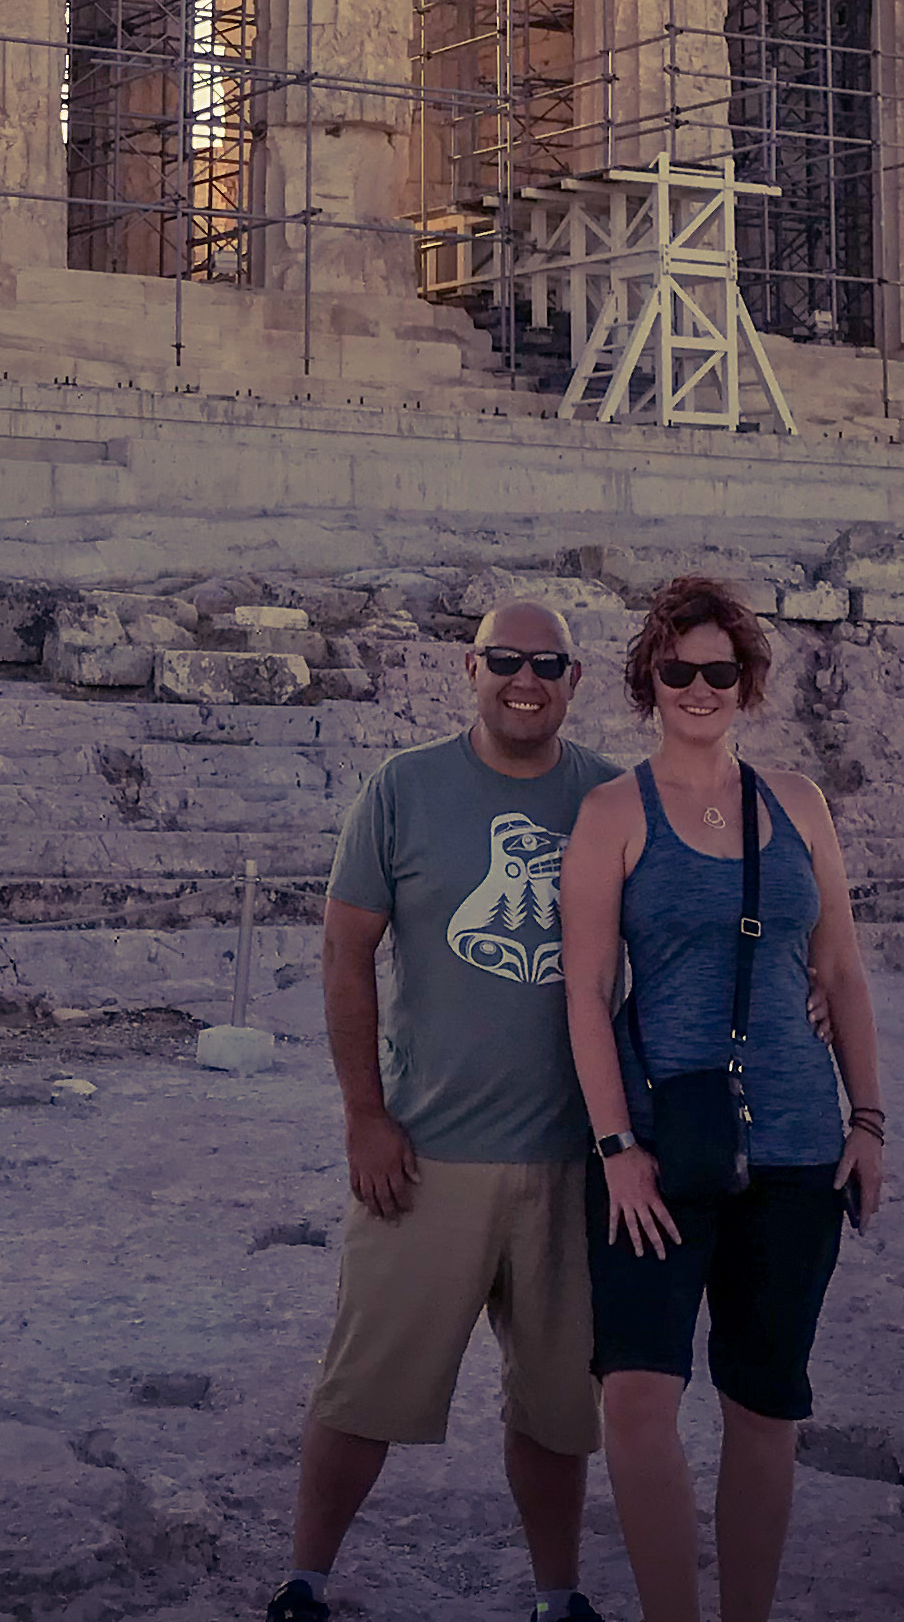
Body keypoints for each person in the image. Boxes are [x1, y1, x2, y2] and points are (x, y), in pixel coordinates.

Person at [270, 599, 620, 1622]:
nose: (526, 678)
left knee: (560, 1410)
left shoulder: (610, 799)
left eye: (546, 662)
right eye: (505, 659)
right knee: (363, 1386)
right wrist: (363, 1116)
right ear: (471, 667)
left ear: (573, 675)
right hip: (426, 1154)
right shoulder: (404, 789)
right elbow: (345, 952)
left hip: (574, 1161)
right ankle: (306, 1582)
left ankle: (559, 1597)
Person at [559, 577, 888, 1622]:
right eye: (678, 671)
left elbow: (840, 971)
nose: (700, 689)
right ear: (648, 682)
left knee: (764, 1406)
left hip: (796, 1142)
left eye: (720, 671)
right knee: (639, 1399)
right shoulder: (613, 812)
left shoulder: (799, 804)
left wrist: (870, 1118)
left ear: (747, 683)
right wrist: (615, 1146)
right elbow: (585, 990)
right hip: (660, 1144)